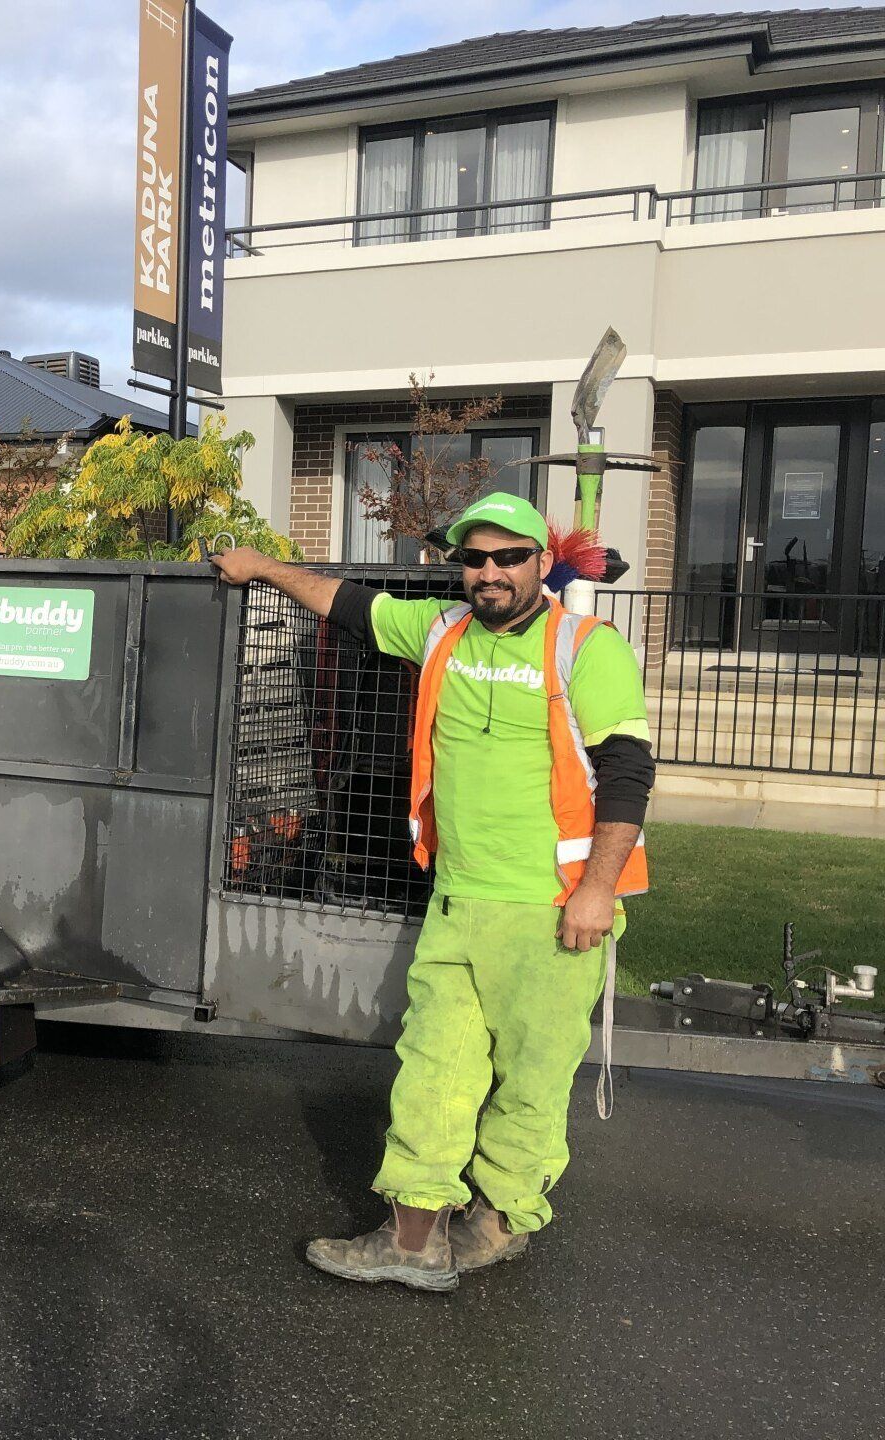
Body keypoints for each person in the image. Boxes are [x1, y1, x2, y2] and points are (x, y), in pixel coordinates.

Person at [212, 492, 654, 1292]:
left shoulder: (586, 649)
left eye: (507, 557)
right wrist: (260, 568)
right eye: (473, 559)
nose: (488, 573)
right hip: (457, 902)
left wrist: (596, 893)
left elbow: (627, 776)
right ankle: (414, 1241)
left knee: (532, 1080)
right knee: (434, 1068)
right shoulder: (443, 628)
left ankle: (498, 1221)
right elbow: (349, 603)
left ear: (538, 562)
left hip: (554, 914)